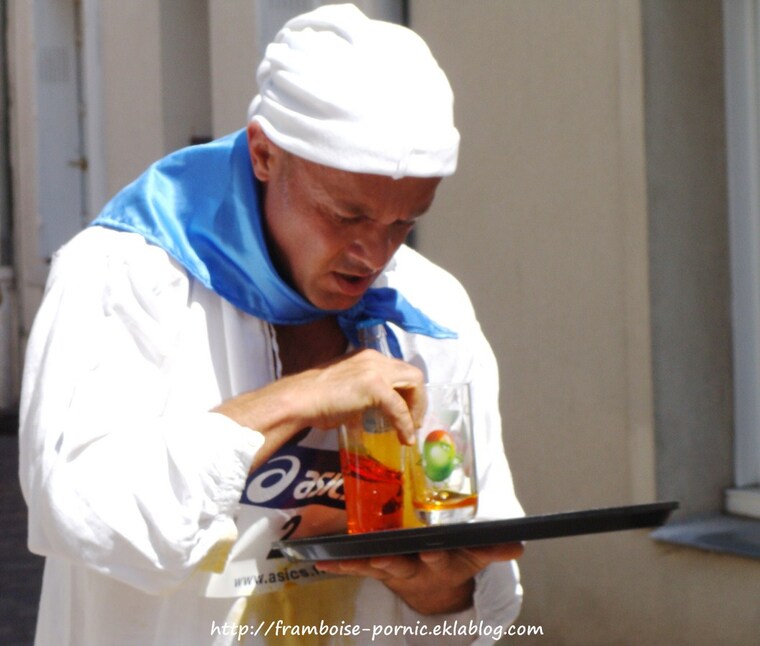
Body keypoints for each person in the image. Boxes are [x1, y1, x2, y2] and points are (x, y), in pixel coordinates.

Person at [19, 4, 524, 644]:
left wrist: (436, 590)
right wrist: (297, 398)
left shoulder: (432, 308)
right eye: (345, 216)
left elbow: (480, 591)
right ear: (264, 153)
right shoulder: (122, 274)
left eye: (403, 223)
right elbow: (79, 509)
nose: (375, 255)